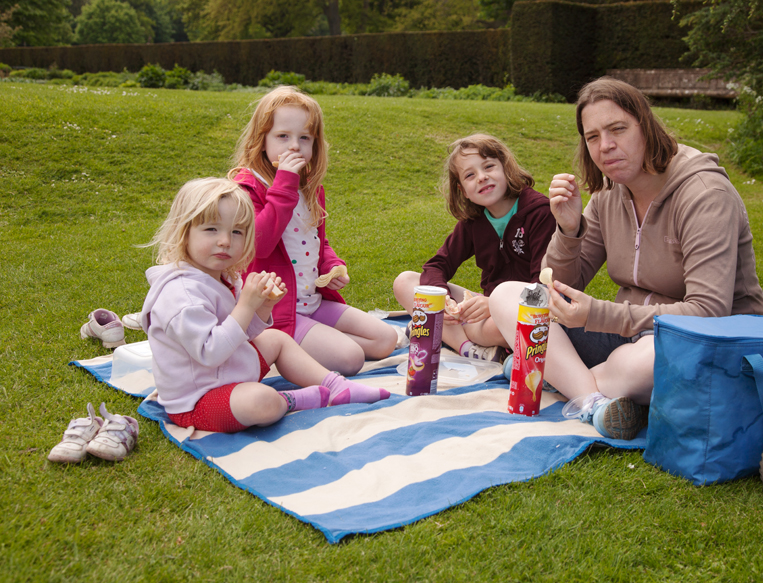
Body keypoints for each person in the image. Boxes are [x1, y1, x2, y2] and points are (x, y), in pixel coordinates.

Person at [489, 77, 763, 439]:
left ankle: (552, 373)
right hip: (626, 335)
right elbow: (555, 288)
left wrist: (597, 314)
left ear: (646, 127)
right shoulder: (609, 192)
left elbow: (708, 311)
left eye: (617, 129)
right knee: (511, 296)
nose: (605, 147)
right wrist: (570, 230)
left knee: (639, 365)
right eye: (592, 137)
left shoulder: (704, 194)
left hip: (704, 343)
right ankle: (595, 400)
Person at [140, 178, 389, 434]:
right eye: (211, 229)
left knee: (275, 339)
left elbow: (242, 334)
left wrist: (263, 308)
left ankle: (337, 386)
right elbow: (211, 352)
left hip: (230, 370)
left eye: (236, 232)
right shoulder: (182, 295)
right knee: (262, 401)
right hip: (198, 399)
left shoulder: (223, 277)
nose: (225, 241)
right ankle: (295, 400)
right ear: (184, 233)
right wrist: (247, 305)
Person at [229, 86, 397, 376]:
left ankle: (308, 344)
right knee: (351, 359)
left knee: (386, 340)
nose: (294, 146)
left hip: (312, 302)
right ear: (262, 140)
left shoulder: (311, 190)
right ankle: (266, 344)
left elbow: (319, 242)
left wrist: (332, 265)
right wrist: (284, 185)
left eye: (304, 138)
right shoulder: (247, 188)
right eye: (283, 136)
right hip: (276, 311)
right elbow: (259, 244)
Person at [393, 134, 556, 362]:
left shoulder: (540, 213)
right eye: (470, 175)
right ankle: (469, 349)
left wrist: (493, 305)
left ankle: (436, 329)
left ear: (506, 168)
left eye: (489, 166)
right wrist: (445, 300)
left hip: (523, 311)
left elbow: (542, 288)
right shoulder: (474, 221)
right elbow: (436, 266)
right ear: (463, 190)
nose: (482, 177)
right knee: (405, 282)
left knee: (510, 325)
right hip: (485, 312)